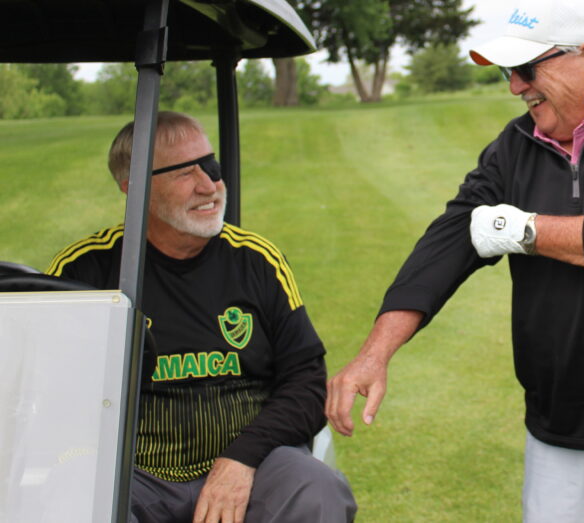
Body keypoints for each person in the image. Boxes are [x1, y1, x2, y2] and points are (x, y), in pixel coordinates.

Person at [326, 0, 584, 521]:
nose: (516, 86)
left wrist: (519, 229)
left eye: (526, 67)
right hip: (561, 424)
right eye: (508, 72)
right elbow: (450, 241)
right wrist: (375, 352)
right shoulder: (514, 145)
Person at [47, 111, 357, 523]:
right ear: (133, 188)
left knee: (317, 491)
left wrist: (240, 459)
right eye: (183, 174)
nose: (209, 186)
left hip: (255, 463)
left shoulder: (257, 261)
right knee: (72, 501)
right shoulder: (84, 272)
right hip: (134, 475)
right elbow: (47, 390)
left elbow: (306, 381)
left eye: (211, 166)